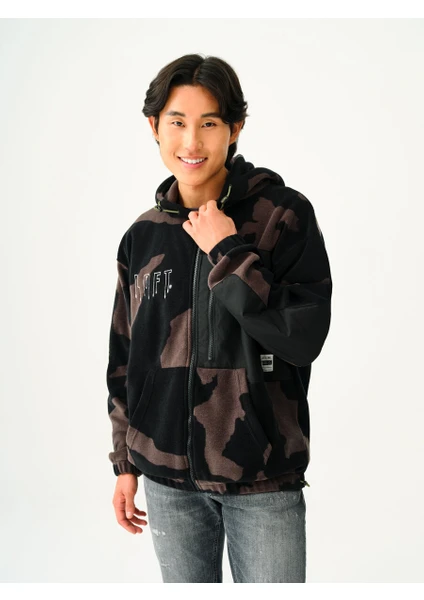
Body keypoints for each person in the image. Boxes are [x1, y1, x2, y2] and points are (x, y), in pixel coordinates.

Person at [106, 53, 333, 583]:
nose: (192, 142)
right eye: (177, 122)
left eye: (209, 123)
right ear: (154, 127)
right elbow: (125, 357)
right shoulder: (143, 236)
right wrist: (125, 462)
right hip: (166, 480)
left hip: (261, 477)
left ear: (235, 128)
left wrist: (227, 252)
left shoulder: (282, 216)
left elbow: (302, 337)